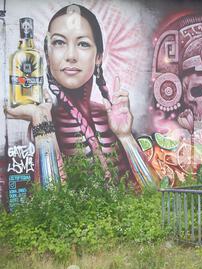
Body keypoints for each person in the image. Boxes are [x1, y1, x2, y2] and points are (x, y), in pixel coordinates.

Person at [5, 4, 156, 188]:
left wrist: (125, 136)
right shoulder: (42, 121)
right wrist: (41, 120)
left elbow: (154, 193)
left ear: (98, 57)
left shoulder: (111, 116)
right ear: (47, 53)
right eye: (59, 42)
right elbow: (50, 204)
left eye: (83, 44)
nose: (70, 56)